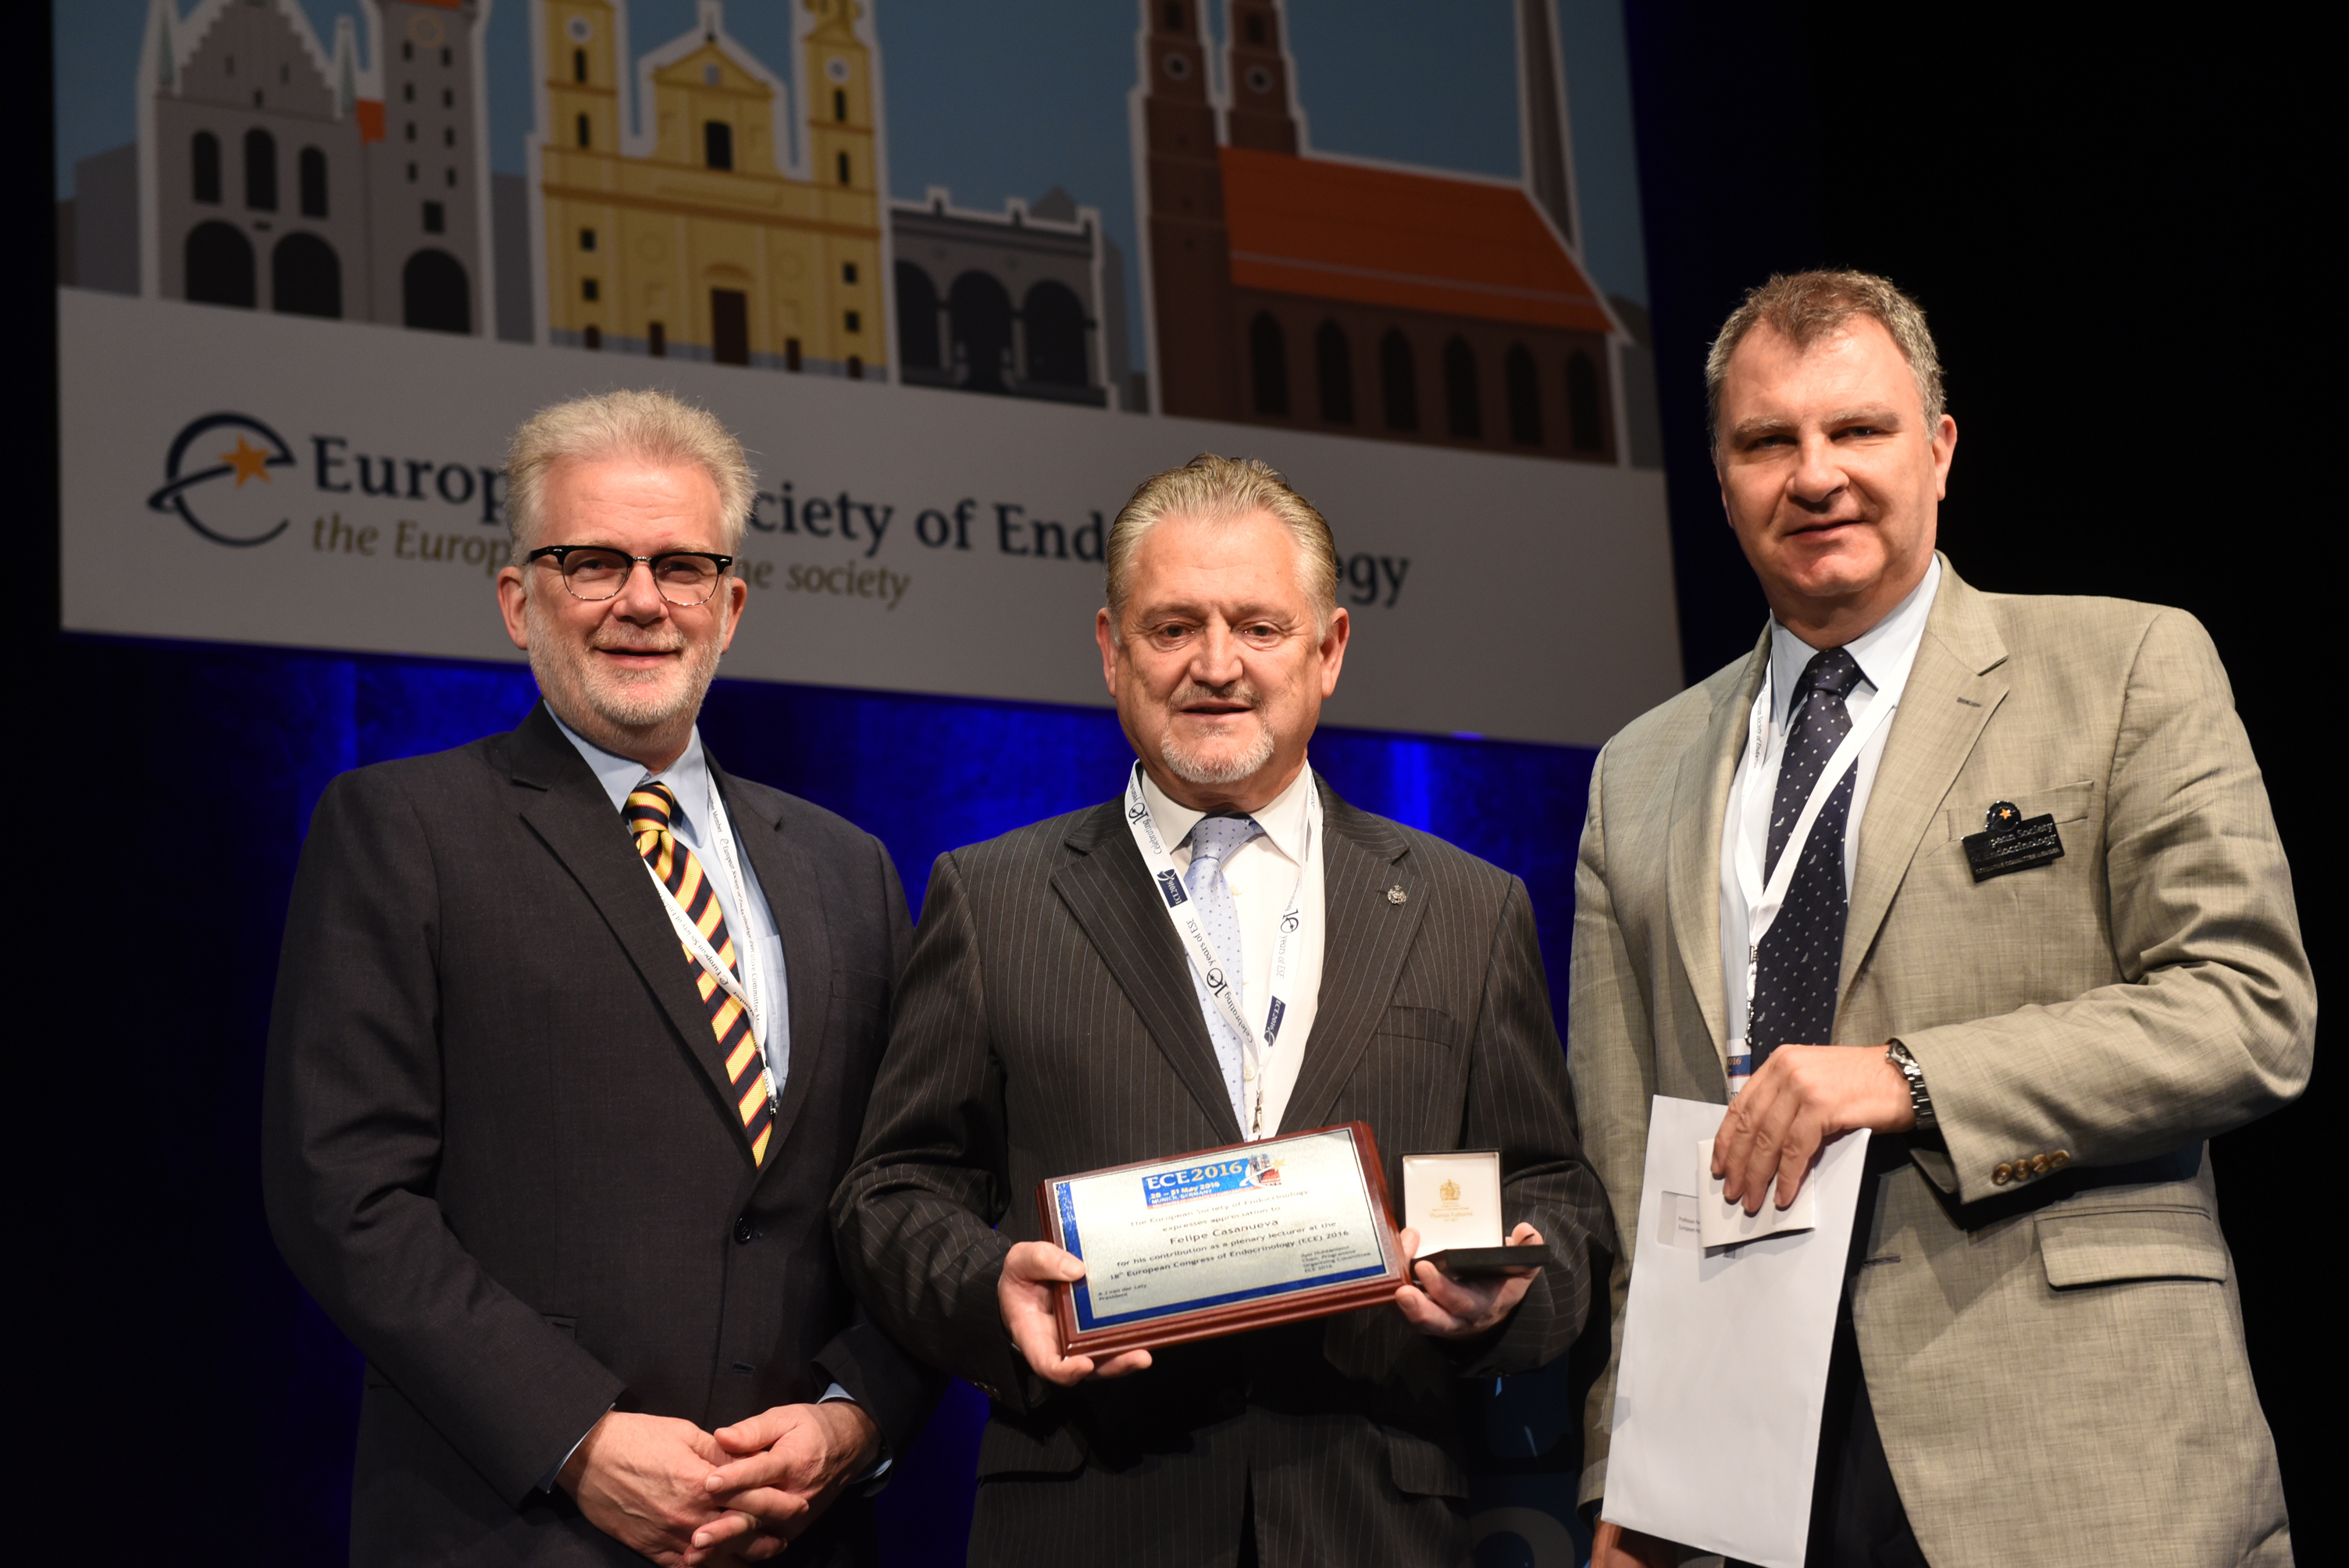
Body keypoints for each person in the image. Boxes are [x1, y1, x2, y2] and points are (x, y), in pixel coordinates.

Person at [1572, 272, 2312, 1567]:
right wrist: (1637, 1473)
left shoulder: (2126, 665)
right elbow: (1635, 1167)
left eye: (1856, 430)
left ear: (1941, 448)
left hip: (2075, 1447)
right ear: (1722, 473)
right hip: (1750, 1471)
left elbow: (2249, 1012)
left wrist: (1912, 1078)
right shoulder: (1638, 770)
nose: (1816, 476)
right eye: (1768, 442)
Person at [829, 455, 1612, 1566]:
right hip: (1092, 1514)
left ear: (1329, 649)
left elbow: (1552, 1188)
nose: (1216, 666)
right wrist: (981, 1287)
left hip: (1376, 1524)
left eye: (1257, 625)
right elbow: (891, 1187)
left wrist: (1511, 1289)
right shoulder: (992, 896)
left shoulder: (1466, 909)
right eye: (1172, 628)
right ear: (1111, 651)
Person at [263, 390, 936, 1566]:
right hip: (519, 1528)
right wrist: (576, 1436)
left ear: (730, 606)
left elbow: (912, 1191)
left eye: (681, 566)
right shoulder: (401, 828)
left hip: (804, 1536)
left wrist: (854, 1415)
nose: (641, 601)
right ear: (520, 600)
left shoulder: (849, 869)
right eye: (593, 562)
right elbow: (345, 1196)